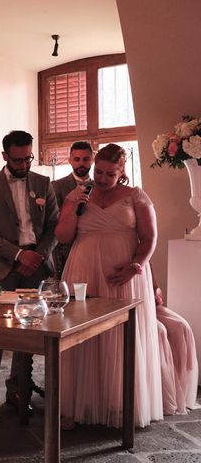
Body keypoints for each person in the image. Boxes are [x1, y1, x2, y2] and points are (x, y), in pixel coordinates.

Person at [55, 143, 162, 428]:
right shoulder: (77, 196)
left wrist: (136, 265)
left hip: (122, 275)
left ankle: (118, 404)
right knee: (80, 335)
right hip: (83, 271)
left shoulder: (135, 196)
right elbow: (63, 237)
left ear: (121, 171)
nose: (101, 178)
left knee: (119, 336)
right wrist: (74, 209)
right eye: (98, 172)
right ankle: (77, 404)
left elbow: (149, 237)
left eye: (109, 174)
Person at [0, 130, 59, 426]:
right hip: (4, 269)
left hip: (36, 265)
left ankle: (17, 390)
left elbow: (53, 226)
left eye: (28, 158)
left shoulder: (43, 183)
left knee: (27, 335)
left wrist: (37, 255)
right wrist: (17, 255)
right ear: (5, 156)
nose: (24, 164)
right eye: (18, 159)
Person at [152, 274, 199, 415]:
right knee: (160, 331)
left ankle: (181, 392)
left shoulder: (145, 260)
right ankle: (161, 396)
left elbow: (157, 288)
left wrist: (156, 294)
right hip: (137, 310)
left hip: (151, 307)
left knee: (181, 327)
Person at [51, 141, 93, 277]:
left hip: (92, 246)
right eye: (77, 159)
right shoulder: (56, 186)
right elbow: (53, 220)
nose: (81, 163)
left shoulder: (101, 187)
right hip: (64, 250)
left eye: (86, 159)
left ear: (92, 160)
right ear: (70, 160)